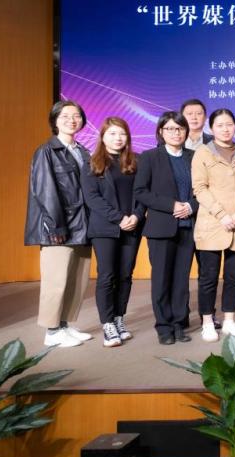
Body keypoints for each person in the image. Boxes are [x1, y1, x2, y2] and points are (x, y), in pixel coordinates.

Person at [26, 100, 93, 348]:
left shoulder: (82, 151)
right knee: (56, 281)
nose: (71, 120)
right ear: (54, 120)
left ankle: (64, 325)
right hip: (59, 227)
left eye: (76, 116)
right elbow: (45, 192)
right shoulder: (46, 151)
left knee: (77, 279)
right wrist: (56, 226)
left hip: (83, 225)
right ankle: (52, 331)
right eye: (65, 116)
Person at [134, 111, 198, 345]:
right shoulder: (150, 157)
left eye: (180, 128)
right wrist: (172, 205)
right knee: (161, 278)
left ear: (186, 131)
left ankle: (179, 324)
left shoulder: (194, 157)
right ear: (161, 131)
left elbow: (203, 189)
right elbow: (141, 192)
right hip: (161, 227)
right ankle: (163, 326)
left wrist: (190, 206)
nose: (175, 133)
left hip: (188, 226)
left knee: (181, 279)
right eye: (170, 128)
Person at [82, 117, 144, 347]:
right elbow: (92, 198)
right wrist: (119, 218)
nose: (118, 138)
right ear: (103, 137)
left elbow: (143, 192)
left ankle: (119, 318)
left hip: (132, 226)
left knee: (125, 275)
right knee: (107, 276)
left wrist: (136, 215)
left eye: (122, 134)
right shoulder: (92, 163)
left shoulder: (137, 161)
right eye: (112, 134)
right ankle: (107, 323)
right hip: (105, 228)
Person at [192, 109, 235, 343]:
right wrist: (222, 214)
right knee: (208, 277)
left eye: (229, 125)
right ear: (211, 128)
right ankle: (207, 322)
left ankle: (229, 320)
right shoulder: (202, 153)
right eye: (220, 125)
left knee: (234, 277)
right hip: (213, 223)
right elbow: (200, 188)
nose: (225, 129)